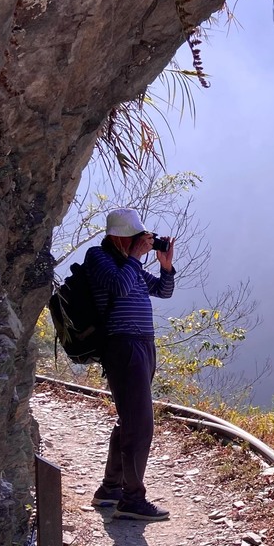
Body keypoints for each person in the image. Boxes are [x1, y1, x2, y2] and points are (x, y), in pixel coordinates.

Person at [84, 207, 176, 521]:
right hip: (122, 346)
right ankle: (132, 499)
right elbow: (119, 288)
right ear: (118, 237)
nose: (140, 241)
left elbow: (164, 291)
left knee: (129, 420)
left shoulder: (129, 264)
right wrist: (136, 257)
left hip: (143, 346)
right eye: (135, 237)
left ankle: (110, 491)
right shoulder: (99, 257)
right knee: (141, 425)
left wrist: (166, 267)